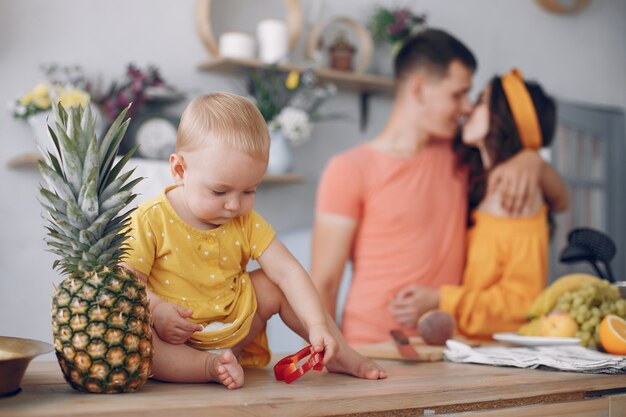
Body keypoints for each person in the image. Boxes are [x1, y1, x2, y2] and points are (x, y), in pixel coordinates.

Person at [312, 29, 567, 346]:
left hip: (448, 349)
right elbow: (324, 283)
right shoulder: (349, 169)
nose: (466, 108)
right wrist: (324, 358)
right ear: (419, 90)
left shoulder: (461, 155)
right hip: (372, 345)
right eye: (458, 94)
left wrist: (532, 159)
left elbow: (559, 197)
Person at [121, 92, 386, 389]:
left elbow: (289, 272)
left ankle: (336, 351)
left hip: (235, 330)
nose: (235, 205)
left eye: (249, 191)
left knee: (275, 283)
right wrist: (156, 311)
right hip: (175, 339)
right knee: (139, 343)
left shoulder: (245, 222)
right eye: (220, 192)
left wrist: (317, 326)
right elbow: (128, 282)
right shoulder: (150, 218)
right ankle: (208, 366)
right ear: (180, 170)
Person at [404, 69, 568, 337]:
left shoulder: (516, 196)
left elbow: (520, 305)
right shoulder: (481, 181)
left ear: (506, 119)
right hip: (463, 349)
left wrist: (441, 299)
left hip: (493, 360)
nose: (468, 108)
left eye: (480, 101)